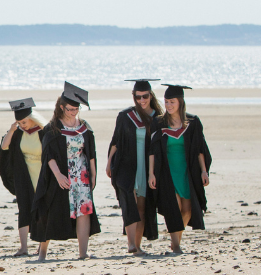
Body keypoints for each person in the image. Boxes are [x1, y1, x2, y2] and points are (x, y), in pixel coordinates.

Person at [31, 82, 101, 261]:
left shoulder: (84, 126)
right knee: (49, 210)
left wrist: (93, 174)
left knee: (83, 211)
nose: (73, 111)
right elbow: (49, 155)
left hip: (81, 175)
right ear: (61, 107)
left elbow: (90, 152)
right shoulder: (53, 128)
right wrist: (58, 175)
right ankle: (43, 253)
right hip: (60, 175)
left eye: (76, 108)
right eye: (70, 109)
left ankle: (83, 253)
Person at [148, 84, 212, 254]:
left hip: (187, 172)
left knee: (188, 209)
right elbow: (153, 151)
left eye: (172, 102)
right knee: (173, 209)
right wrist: (151, 173)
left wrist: (204, 171)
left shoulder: (193, 122)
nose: (168, 105)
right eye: (166, 102)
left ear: (180, 102)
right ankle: (176, 245)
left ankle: (176, 237)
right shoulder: (159, 122)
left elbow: (199, 149)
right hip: (167, 172)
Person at [107, 79, 164, 255]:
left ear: (150, 95)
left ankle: (137, 246)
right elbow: (116, 141)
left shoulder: (158, 118)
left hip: (147, 168)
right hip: (126, 166)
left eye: (145, 96)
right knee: (129, 203)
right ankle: (131, 244)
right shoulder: (125, 116)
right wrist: (109, 163)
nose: (141, 100)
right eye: (138, 97)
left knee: (141, 206)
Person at [0, 98, 47, 257]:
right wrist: (11, 130)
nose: (22, 125)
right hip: (23, 174)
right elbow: (4, 147)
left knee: (42, 210)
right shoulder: (18, 133)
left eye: (24, 122)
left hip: (41, 173)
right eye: (18, 122)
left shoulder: (44, 131)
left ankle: (42, 246)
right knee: (24, 208)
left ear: (32, 118)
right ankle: (24, 247)